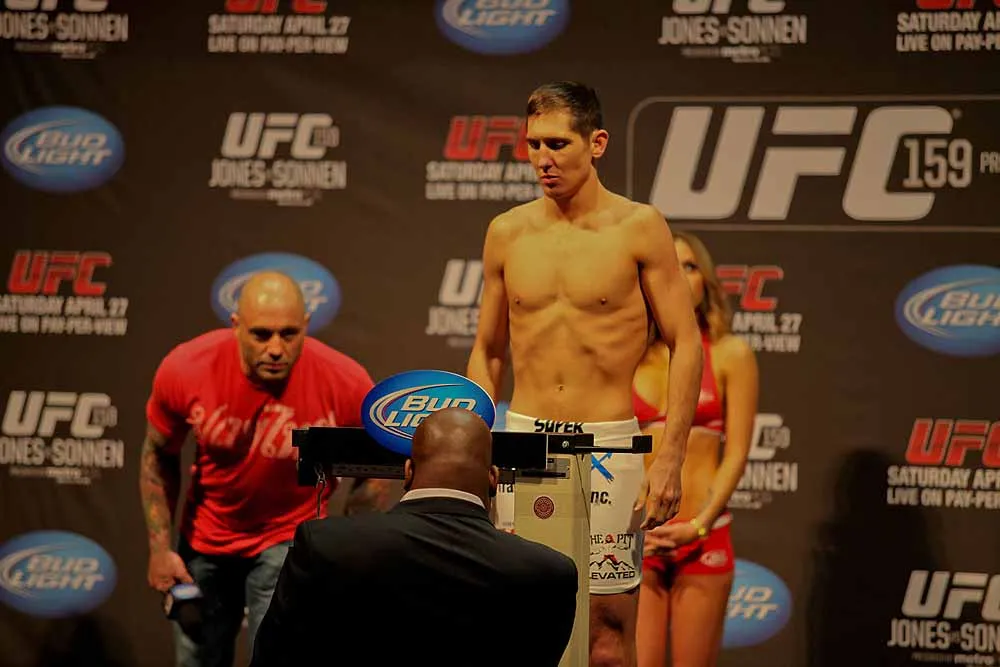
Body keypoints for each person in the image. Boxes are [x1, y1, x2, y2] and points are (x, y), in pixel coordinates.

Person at [466, 81, 704, 667]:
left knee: (607, 631)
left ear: (596, 143)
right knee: (520, 620)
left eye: (557, 144)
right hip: (523, 444)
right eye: (533, 145)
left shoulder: (639, 227)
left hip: (608, 448)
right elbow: (488, 352)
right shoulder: (506, 232)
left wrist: (670, 455)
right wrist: (475, 444)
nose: (542, 159)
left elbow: (686, 341)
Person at [139, 271, 376, 667]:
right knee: (197, 660)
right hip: (205, 539)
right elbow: (157, 455)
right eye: (261, 335)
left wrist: (346, 551)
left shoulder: (346, 381)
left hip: (289, 540)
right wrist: (160, 550)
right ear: (236, 326)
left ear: (306, 325)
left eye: (289, 334)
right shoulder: (186, 368)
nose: (276, 349)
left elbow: (373, 469)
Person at [249, 407, 579, 667]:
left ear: (408, 472)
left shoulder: (325, 545)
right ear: (493, 478)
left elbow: (273, 658)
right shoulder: (549, 574)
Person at [633, 231, 759, 667]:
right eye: (669, 266)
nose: (679, 277)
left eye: (689, 267)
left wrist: (701, 525)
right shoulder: (628, 354)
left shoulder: (730, 354)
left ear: (706, 280)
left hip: (704, 536)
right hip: (639, 538)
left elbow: (737, 453)